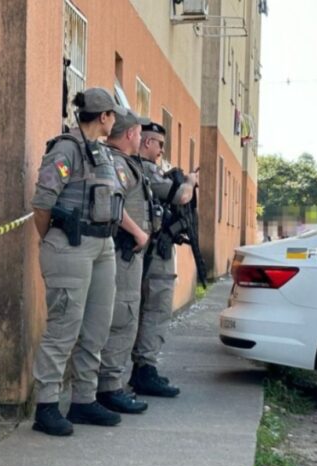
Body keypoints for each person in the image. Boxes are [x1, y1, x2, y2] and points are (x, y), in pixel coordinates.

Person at [30, 87, 128, 436]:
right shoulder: (66, 148)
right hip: (70, 245)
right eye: (112, 115)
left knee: (96, 327)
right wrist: (50, 240)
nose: (114, 121)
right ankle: (46, 406)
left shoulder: (100, 152)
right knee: (64, 327)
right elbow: (42, 202)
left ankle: (84, 401)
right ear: (103, 117)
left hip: (102, 247)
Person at [129, 122, 198, 398]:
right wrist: (190, 182)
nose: (161, 150)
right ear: (147, 143)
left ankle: (142, 367)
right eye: (159, 144)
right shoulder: (143, 170)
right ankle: (144, 368)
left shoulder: (141, 169)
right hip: (155, 253)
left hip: (148, 251)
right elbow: (181, 196)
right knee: (156, 308)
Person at [95, 110, 154, 414]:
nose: (143, 138)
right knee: (122, 316)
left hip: (127, 253)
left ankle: (109, 384)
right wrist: (139, 234)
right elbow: (113, 204)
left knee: (123, 314)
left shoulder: (124, 162)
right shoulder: (116, 163)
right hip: (123, 252)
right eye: (140, 132)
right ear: (131, 134)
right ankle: (109, 387)